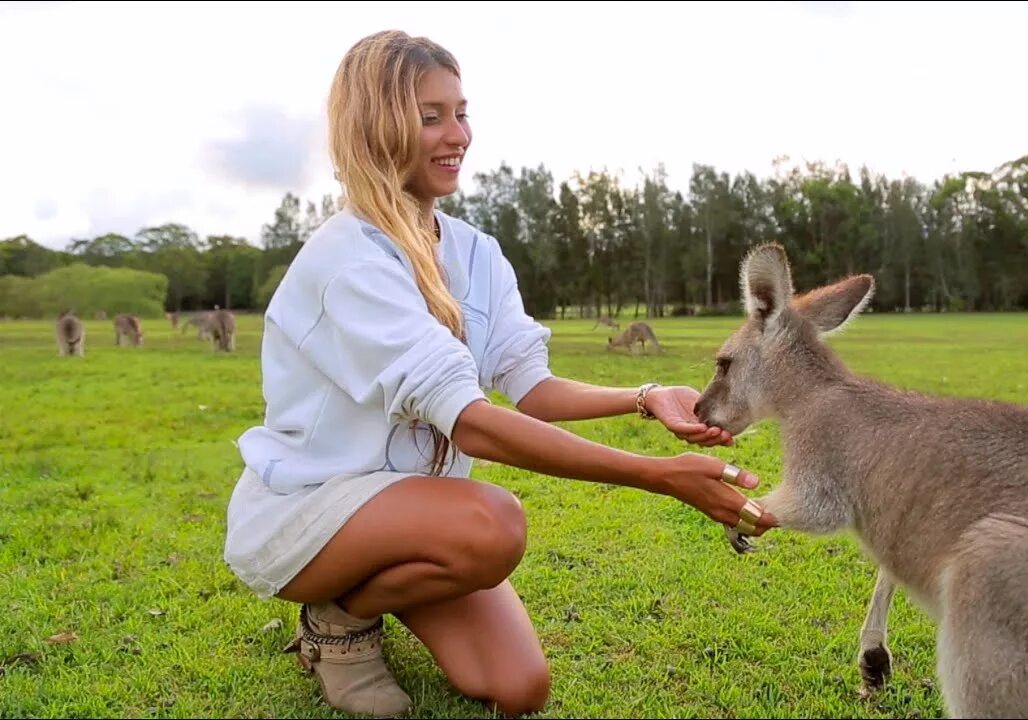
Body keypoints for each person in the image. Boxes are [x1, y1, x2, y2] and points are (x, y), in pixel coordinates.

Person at [222, 29, 778, 719]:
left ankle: (351, 607)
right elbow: (475, 426)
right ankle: (337, 626)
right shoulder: (348, 260)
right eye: (432, 116)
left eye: (461, 111)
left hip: (416, 512)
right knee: (493, 524)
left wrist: (641, 398)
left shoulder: (476, 252)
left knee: (519, 687)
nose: (459, 134)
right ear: (376, 126)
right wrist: (655, 476)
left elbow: (530, 384)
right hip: (312, 512)